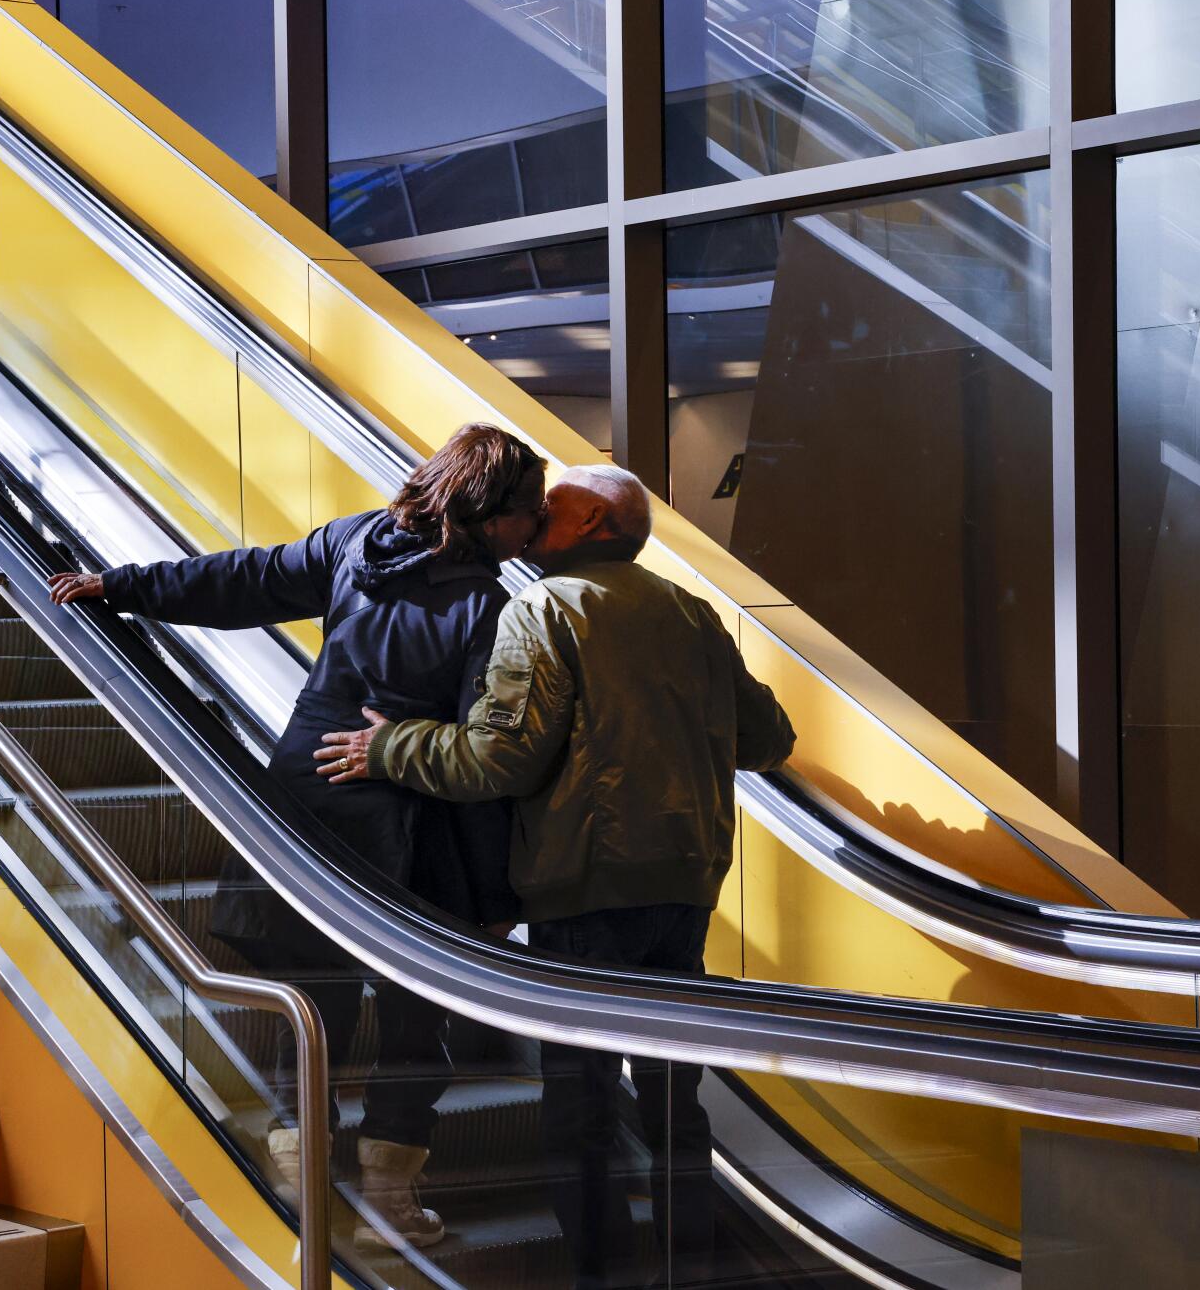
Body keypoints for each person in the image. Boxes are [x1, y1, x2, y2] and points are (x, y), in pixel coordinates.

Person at [48, 423, 546, 1248]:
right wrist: (495, 899)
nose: (534, 531)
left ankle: (297, 1178)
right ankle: (387, 1201)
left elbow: (246, 580)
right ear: (487, 514)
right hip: (416, 825)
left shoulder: (358, 544)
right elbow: (478, 767)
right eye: (528, 514)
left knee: (314, 999)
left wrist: (122, 586)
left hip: (307, 807)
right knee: (418, 1016)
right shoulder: (484, 607)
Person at [313, 464, 796, 1287]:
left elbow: (501, 757)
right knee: (676, 1104)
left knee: (582, 1110)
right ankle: (694, 1270)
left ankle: (602, 1278)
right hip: (685, 886)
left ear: (594, 525)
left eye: (552, 512)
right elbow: (768, 739)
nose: (534, 521)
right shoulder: (689, 612)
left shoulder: (544, 608)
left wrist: (388, 745)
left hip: (587, 887)